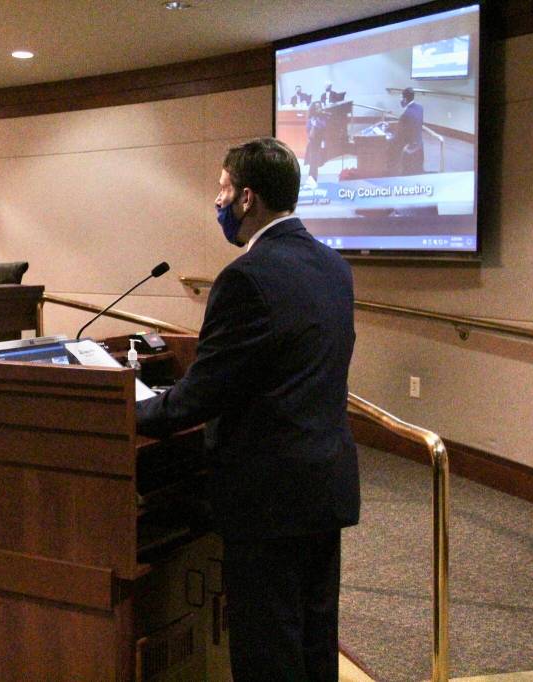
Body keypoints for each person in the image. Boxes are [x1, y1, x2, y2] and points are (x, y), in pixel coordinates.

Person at [135, 138, 359, 681]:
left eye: (222, 187)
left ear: (247, 198)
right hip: (322, 483)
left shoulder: (247, 278)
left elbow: (201, 395)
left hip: (268, 497)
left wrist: (126, 411)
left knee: (267, 647)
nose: (217, 198)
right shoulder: (333, 265)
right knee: (313, 636)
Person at [396, 87, 425, 175]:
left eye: (401, 98)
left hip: (410, 148)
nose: (400, 100)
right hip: (420, 145)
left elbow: (399, 134)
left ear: (404, 99)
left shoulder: (406, 114)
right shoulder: (420, 108)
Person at [304, 101, 327, 185]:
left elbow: (323, 127)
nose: (319, 109)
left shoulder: (323, 118)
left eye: (320, 107)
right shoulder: (310, 120)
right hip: (313, 143)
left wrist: (316, 123)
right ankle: (312, 178)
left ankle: (313, 178)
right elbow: (309, 133)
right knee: (313, 162)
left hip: (321, 143)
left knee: (316, 162)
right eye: (317, 108)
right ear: (313, 109)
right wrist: (313, 125)